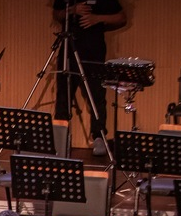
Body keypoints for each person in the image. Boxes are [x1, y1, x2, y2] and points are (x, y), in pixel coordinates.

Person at [52, 0, 127, 156]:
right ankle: (60, 138)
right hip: (68, 49)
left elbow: (121, 18)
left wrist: (97, 18)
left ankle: (99, 136)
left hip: (94, 50)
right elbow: (57, 14)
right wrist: (73, 10)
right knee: (63, 95)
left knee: (96, 94)